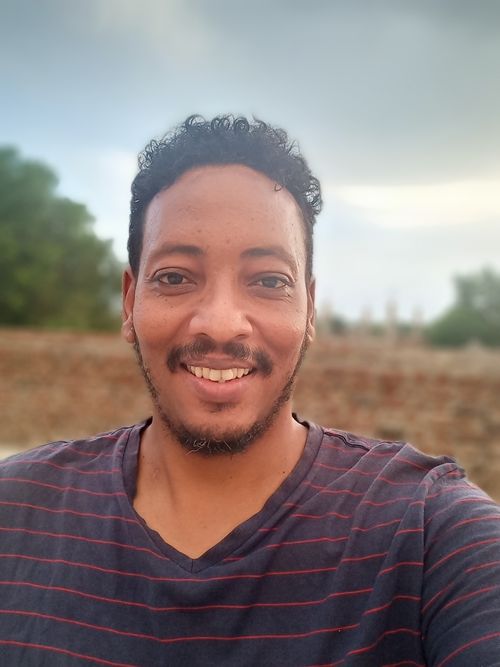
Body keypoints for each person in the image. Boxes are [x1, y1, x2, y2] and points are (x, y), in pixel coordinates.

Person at [0, 115, 499, 666]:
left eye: (268, 281)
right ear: (129, 302)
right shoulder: (15, 511)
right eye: (175, 277)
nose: (220, 324)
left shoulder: (428, 535)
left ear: (309, 310)